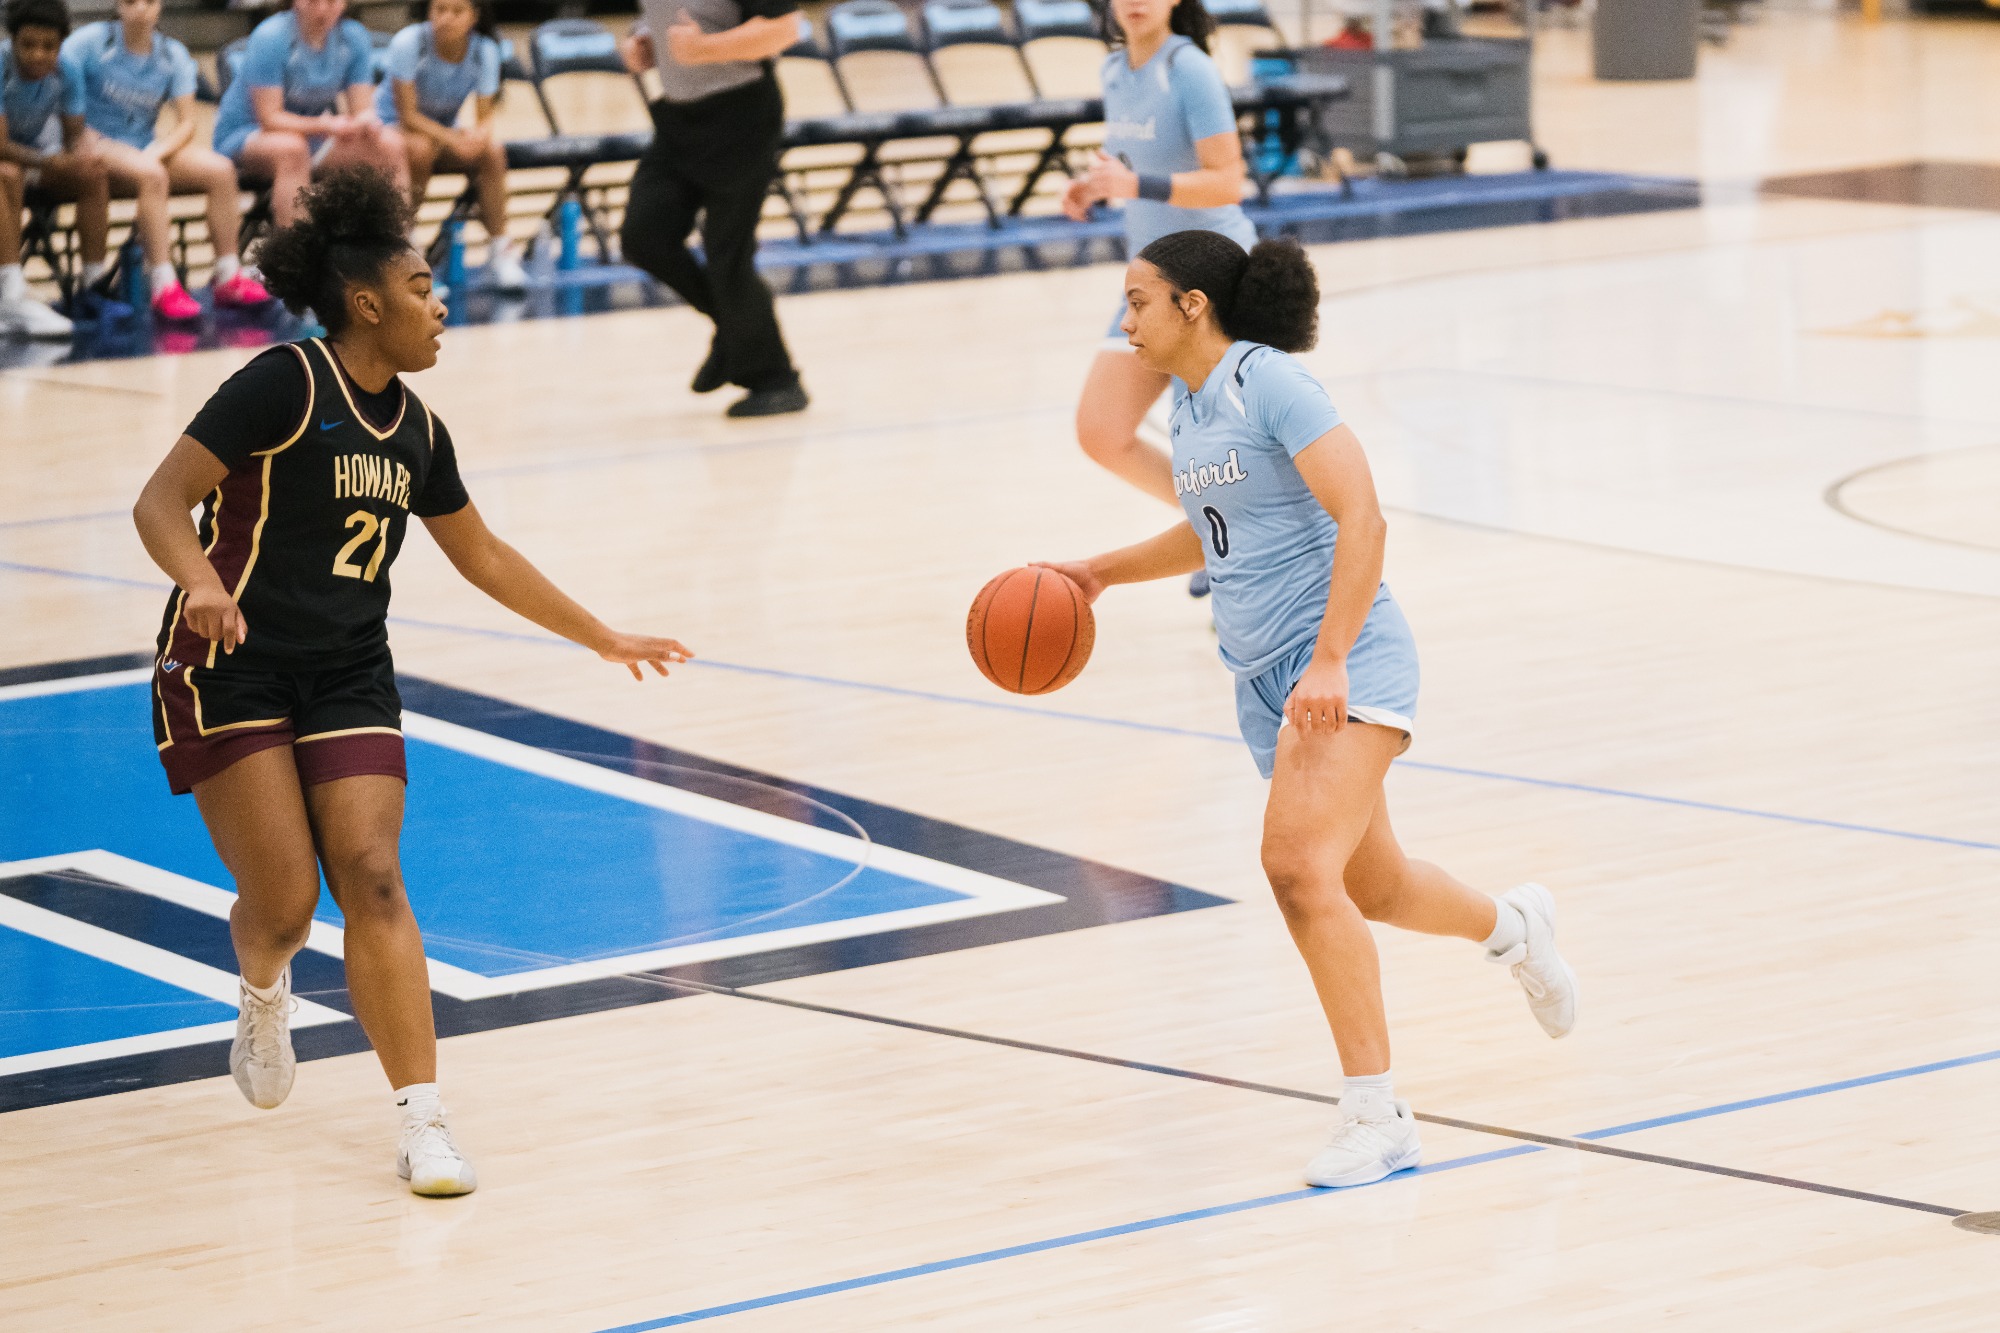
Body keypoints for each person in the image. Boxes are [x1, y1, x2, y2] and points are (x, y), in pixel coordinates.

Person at [130, 167, 691, 1196]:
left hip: (346, 670)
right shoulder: (282, 384)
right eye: (424, 285)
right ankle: (262, 990)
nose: (441, 305)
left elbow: (482, 556)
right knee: (288, 898)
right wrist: (201, 581)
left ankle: (421, 1119)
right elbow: (160, 503)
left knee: (375, 875)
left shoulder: (420, 431)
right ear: (366, 303)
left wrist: (600, 635)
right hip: (229, 663)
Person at [1038, 231, 1579, 1189]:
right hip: (1261, 678)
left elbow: (1363, 516)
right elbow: (1218, 533)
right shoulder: (1195, 408)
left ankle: (1380, 1115)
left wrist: (1330, 659)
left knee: (1293, 867)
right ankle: (1513, 927)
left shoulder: (1271, 383)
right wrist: (1100, 573)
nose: (1124, 322)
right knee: (1374, 887)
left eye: (1138, 301)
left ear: (1193, 306)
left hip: (1347, 656)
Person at [1062, 0, 1253, 599]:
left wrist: (1133, 183)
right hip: (1150, 278)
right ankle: (1219, 529)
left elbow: (1227, 179)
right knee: (1101, 430)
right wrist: (1098, 185)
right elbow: (1136, 167)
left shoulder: (1189, 68)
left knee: (1212, 444)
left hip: (1208, 276)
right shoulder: (1115, 70)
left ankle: (1229, 541)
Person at [618, 0, 806, 418]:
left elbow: (787, 29)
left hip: (742, 115)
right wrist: (643, 42)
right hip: (678, 119)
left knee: (728, 257)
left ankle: (778, 380)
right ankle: (735, 331)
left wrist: (706, 50)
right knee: (643, 237)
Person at [63, 0, 272, 321]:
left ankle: (228, 275)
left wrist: (158, 151)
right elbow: (62, 101)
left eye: (149, 2)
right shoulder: (87, 43)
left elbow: (187, 123)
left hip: (145, 149)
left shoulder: (172, 54)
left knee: (220, 170)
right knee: (152, 174)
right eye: (132, 2)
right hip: (97, 147)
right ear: (119, 5)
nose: (141, 10)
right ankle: (162, 283)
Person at [209, 0, 406, 229]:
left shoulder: (355, 37)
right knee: (292, 149)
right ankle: (295, 256)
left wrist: (367, 123)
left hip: (311, 136)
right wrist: (327, 126)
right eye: (313, 1)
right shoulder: (270, 36)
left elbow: (362, 109)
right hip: (247, 134)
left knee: (390, 144)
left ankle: (400, 244)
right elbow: (270, 118)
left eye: (331, 1)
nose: (322, 9)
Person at [376, 0, 523, 291]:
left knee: (492, 151)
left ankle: (500, 250)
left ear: (473, 17)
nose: (446, 18)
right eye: (439, 10)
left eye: (457, 12)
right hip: (391, 129)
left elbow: (485, 116)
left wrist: (478, 137)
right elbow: (408, 117)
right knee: (420, 148)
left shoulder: (485, 50)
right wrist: (455, 139)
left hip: (441, 132)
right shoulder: (409, 43)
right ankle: (407, 244)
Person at [0, 0, 104, 337]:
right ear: (11, 40)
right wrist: (47, 160)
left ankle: (94, 284)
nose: (37, 55)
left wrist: (78, 153)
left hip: (29, 156)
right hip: (10, 159)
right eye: (27, 45)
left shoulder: (68, 69)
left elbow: (73, 137)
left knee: (92, 172)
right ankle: (10, 291)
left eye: (49, 46)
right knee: (7, 174)